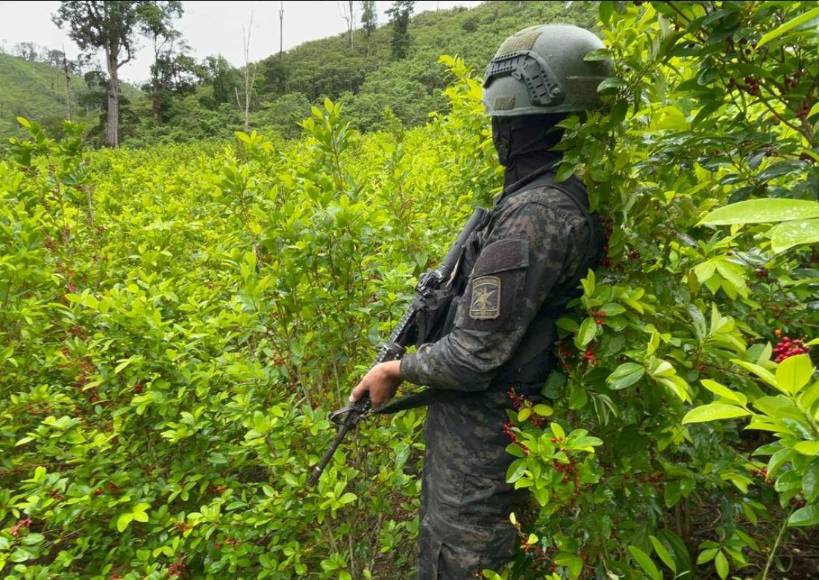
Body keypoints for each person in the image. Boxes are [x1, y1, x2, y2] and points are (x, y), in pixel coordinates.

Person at [350, 24, 612, 578]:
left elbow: (473, 356)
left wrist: (397, 368)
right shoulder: (560, 192)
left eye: (502, 119)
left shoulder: (535, 213)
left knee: (459, 559)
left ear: (520, 123)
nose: (497, 131)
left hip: (485, 442)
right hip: (503, 428)